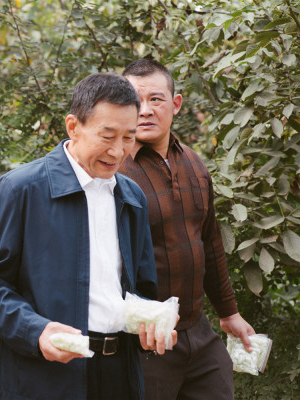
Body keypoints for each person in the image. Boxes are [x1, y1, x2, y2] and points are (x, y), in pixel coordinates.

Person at [0, 73, 176, 400]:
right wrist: (36, 331)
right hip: (48, 377)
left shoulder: (131, 196)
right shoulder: (19, 190)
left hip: (120, 373)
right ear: (73, 127)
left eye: (128, 137)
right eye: (107, 136)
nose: (118, 151)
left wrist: (150, 324)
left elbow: (142, 288)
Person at [119, 59, 256, 400]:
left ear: (176, 104)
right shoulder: (114, 171)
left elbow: (210, 243)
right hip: (144, 339)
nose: (145, 110)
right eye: (135, 100)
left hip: (198, 330)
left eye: (156, 99)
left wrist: (229, 313)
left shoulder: (194, 164)